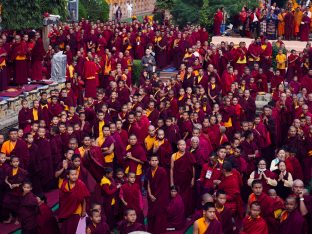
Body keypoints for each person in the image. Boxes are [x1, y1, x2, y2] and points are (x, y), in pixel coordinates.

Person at [58, 168, 90, 234]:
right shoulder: (64, 185)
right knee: (68, 229)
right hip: (67, 212)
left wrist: (84, 210)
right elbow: (62, 200)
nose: (75, 176)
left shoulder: (81, 184)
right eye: (72, 175)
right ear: (68, 176)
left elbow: (83, 199)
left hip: (77, 212)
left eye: (76, 174)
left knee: (77, 230)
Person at [170, 139, 195, 216]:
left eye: (184, 144)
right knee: (178, 197)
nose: (182, 146)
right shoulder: (174, 156)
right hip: (177, 180)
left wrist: (193, 178)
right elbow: (171, 169)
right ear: (177, 146)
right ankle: (178, 213)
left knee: (187, 198)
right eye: (180, 145)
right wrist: (171, 182)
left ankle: (187, 213)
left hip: (187, 180)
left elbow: (193, 167)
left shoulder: (189, 154)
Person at [147, 155, 169, 234]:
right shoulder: (148, 171)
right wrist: (150, 194)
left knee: (160, 214)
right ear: (149, 162)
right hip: (151, 195)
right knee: (151, 213)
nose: (154, 162)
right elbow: (148, 183)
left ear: (158, 161)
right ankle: (151, 229)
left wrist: (155, 196)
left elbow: (163, 186)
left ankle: (159, 230)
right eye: (152, 160)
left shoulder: (162, 171)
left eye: (156, 160)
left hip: (161, 196)